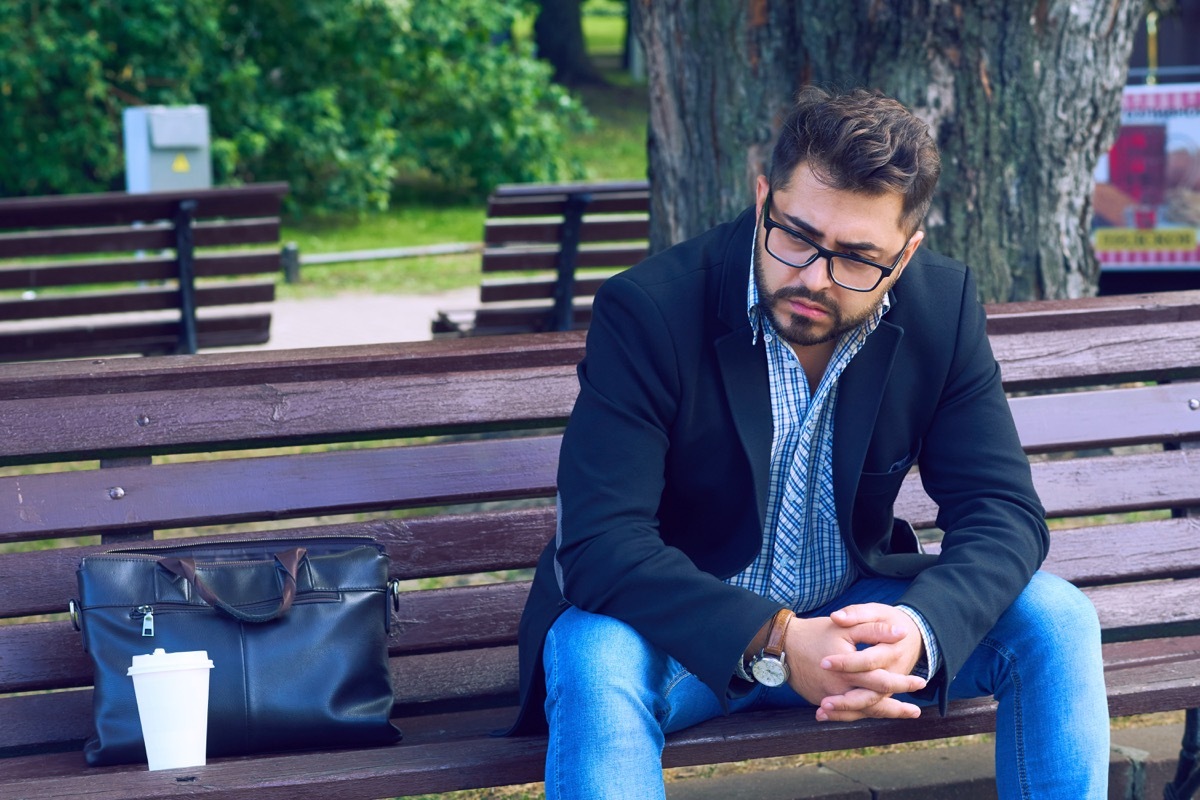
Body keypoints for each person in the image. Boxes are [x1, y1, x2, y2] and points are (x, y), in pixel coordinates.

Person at [508, 86, 1110, 799]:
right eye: (795, 235)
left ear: (907, 251)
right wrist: (779, 638)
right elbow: (601, 543)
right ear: (764, 198)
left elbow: (1003, 510)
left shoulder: (941, 308)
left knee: (1057, 619)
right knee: (589, 649)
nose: (813, 277)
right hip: (687, 636)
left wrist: (918, 627)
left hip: (854, 612)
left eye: (857, 258)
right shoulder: (649, 311)